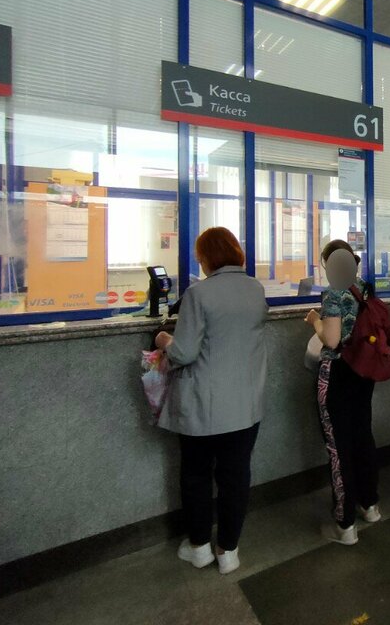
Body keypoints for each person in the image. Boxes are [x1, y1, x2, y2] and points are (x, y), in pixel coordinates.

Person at [156, 227, 268, 574]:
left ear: (206, 258)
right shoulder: (255, 288)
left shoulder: (198, 293)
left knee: (196, 476)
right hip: (246, 406)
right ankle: (229, 551)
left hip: (204, 407)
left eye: (200, 256)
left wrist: (163, 341)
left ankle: (200, 546)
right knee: (236, 477)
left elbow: (186, 352)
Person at [305, 240, 380, 546]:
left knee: (339, 446)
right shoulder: (363, 287)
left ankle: (344, 523)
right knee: (362, 435)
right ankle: (370, 505)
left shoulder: (333, 293)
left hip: (337, 374)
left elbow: (332, 340)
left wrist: (315, 321)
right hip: (364, 371)